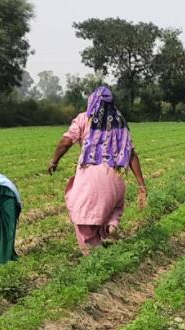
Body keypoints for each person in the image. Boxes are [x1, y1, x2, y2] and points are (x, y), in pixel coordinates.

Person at [48, 86, 147, 255]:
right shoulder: (120, 121)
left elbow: (65, 142)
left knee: (84, 217)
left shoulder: (83, 119)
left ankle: (96, 255)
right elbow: (131, 153)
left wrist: (54, 161)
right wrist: (141, 185)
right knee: (111, 206)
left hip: (92, 178)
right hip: (116, 178)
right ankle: (112, 225)